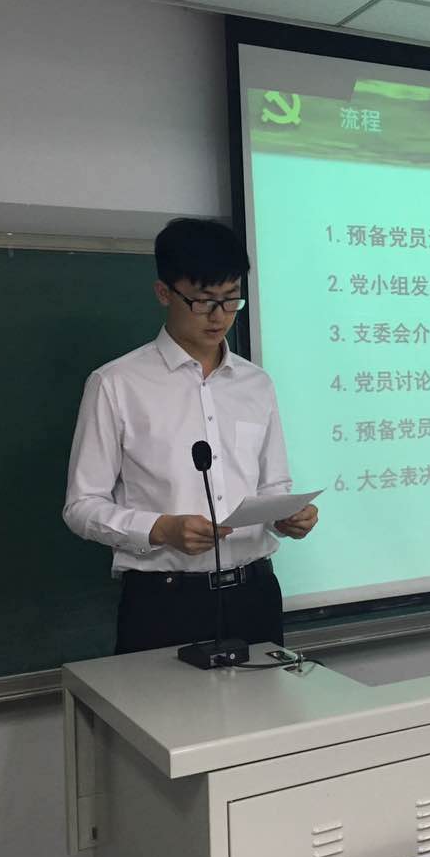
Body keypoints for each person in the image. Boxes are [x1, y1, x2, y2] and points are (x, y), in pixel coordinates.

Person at [63, 218, 317, 654]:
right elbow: (81, 507)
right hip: (164, 601)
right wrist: (160, 529)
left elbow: (273, 485)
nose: (219, 316)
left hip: (254, 596)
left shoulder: (256, 384)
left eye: (231, 298)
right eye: (203, 301)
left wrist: (288, 515)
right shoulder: (116, 384)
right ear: (164, 293)